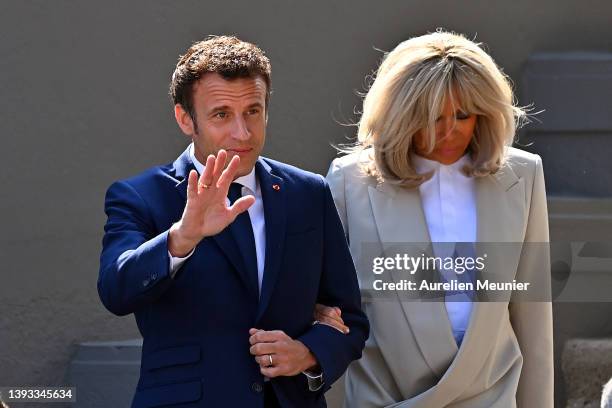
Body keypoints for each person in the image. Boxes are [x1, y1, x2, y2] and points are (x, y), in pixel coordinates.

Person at [98, 35, 368, 408]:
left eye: (253, 111)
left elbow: (350, 319)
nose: (242, 133)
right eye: (222, 114)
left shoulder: (308, 193)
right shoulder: (141, 196)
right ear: (185, 118)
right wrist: (183, 236)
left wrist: (307, 353)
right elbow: (115, 289)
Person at [318, 31, 553, 407]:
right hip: (386, 395)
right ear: (401, 114)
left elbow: (533, 317)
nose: (449, 131)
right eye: (431, 117)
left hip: (491, 396)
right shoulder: (349, 180)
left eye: (463, 115)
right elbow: (328, 310)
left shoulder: (522, 175)